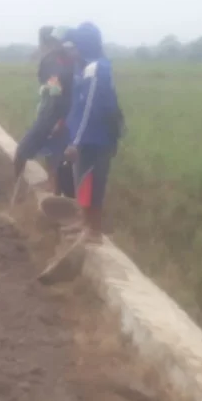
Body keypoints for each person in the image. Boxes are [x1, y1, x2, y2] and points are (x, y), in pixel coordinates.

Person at [63, 22, 124, 244]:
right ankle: (84, 222)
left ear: (85, 46)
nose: (72, 50)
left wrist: (75, 142)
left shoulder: (96, 68)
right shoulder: (85, 67)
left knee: (94, 182)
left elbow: (89, 108)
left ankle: (94, 230)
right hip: (85, 136)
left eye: (76, 46)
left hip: (97, 137)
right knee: (82, 180)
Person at [14, 26, 76, 198]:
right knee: (54, 153)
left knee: (21, 152)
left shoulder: (51, 60)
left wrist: (56, 120)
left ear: (44, 41)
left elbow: (56, 91)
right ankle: (55, 191)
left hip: (51, 116)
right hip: (64, 115)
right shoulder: (67, 59)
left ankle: (17, 192)